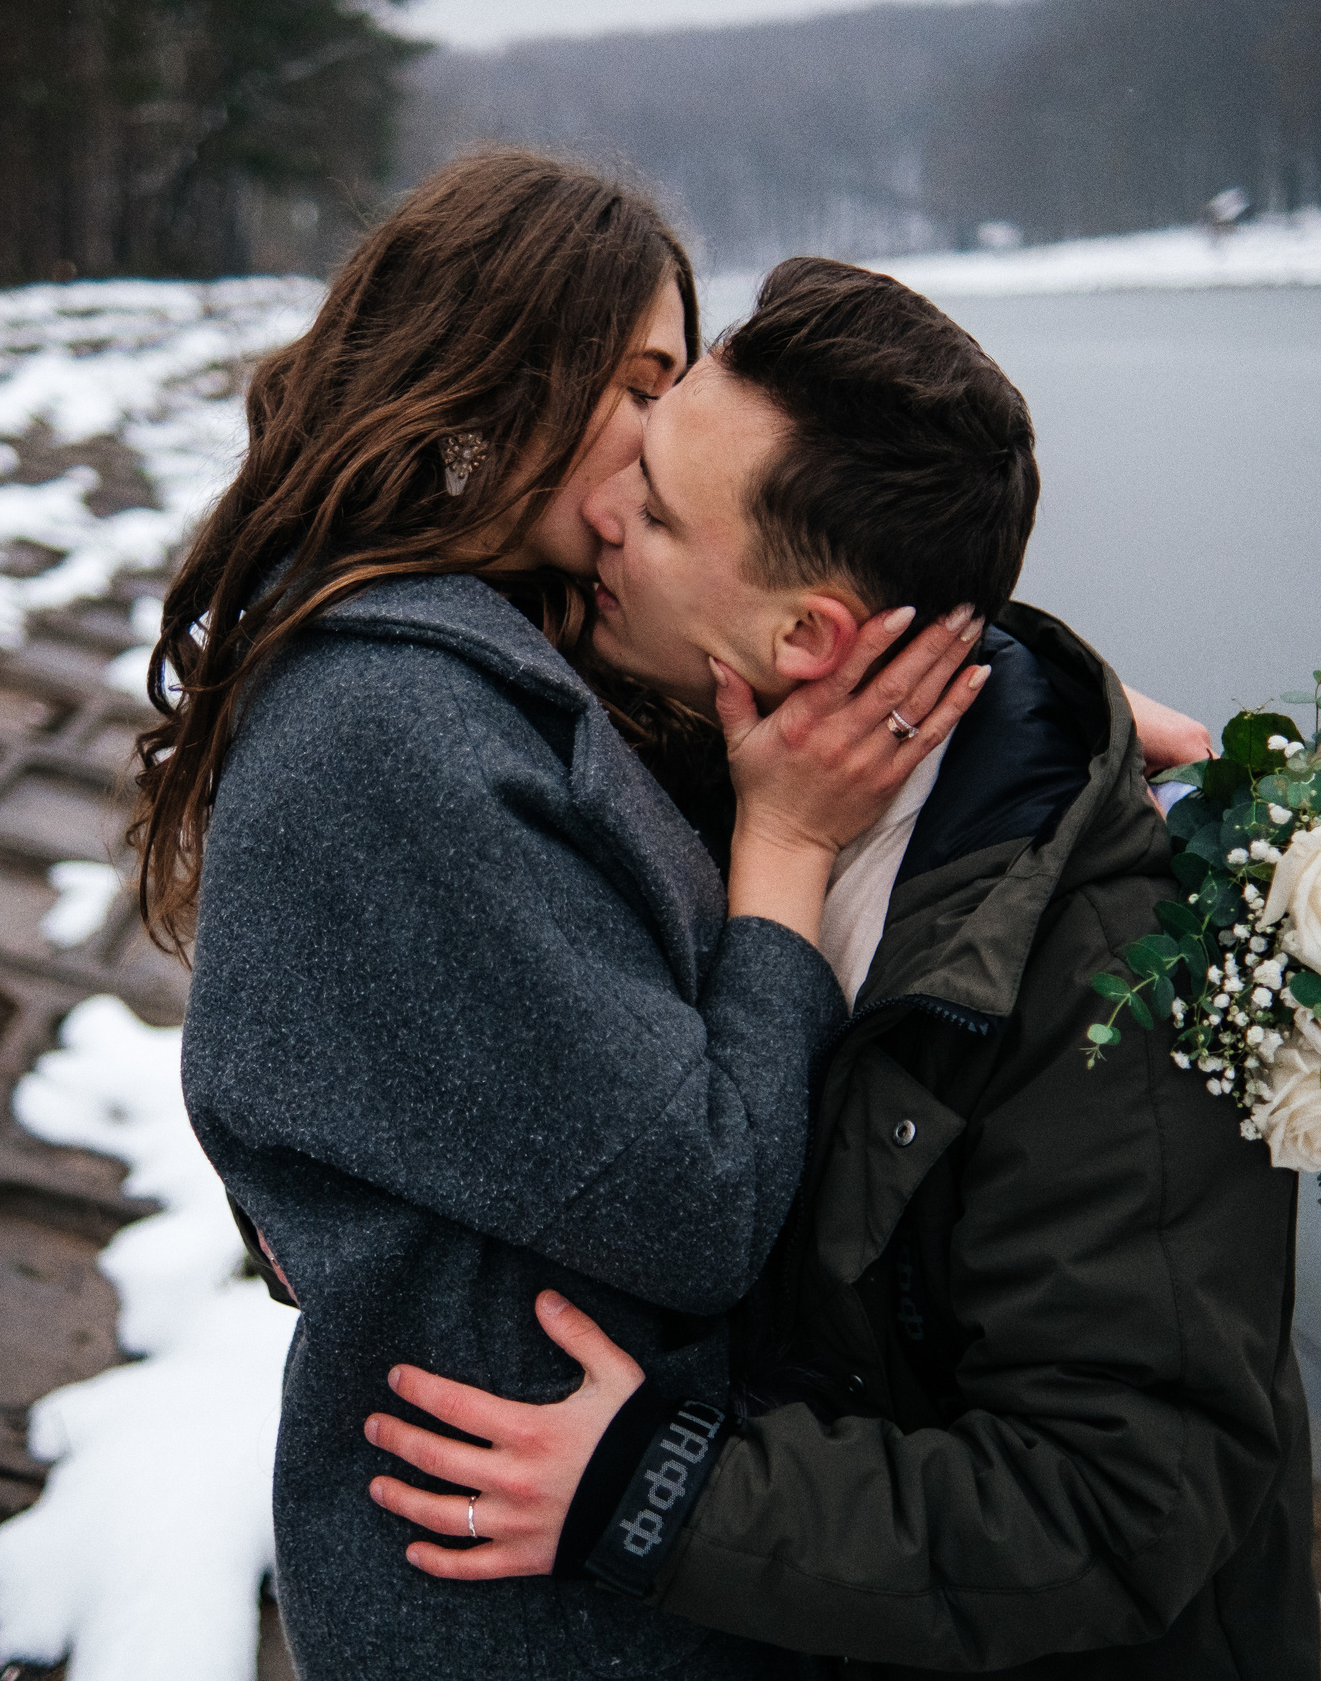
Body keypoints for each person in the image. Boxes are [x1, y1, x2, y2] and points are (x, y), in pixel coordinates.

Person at [361, 258, 1319, 1679]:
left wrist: (660, 1492)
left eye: (660, 510)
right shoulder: (688, 740)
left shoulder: (1116, 978)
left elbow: (1120, 1504)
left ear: (808, 639)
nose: (602, 510)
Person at [134, 148, 993, 1680]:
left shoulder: (487, 650)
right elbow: (703, 1198)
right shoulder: (395, 724)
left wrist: (1028, 710)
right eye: (646, 382)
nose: (675, 435)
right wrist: (788, 857)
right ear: (500, 367)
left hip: (574, 1553)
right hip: (530, 1611)